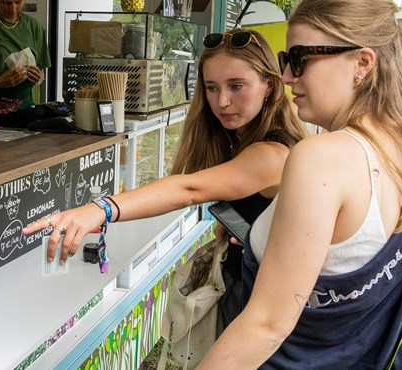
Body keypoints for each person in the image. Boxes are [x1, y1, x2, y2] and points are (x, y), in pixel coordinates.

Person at [199, 0, 402, 368]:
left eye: (301, 58)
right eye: (286, 59)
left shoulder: (320, 157)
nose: (287, 76)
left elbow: (266, 326)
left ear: (362, 63)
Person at [22, 29, 307, 329]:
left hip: (263, 304)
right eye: (211, 87)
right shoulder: (241, 138)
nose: (222, 101)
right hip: (248, 287)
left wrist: (100, 209)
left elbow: (189, 188)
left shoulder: (273, 153)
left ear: (270, 86)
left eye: (236, 86)